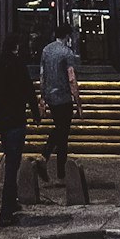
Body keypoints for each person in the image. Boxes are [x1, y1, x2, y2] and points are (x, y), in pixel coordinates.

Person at [0, 33, 42, 227]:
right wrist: (36, 114)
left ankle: (12, 202)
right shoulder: (18, 65)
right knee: (12, 165)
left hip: (2, 121)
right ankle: (6, 211)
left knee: (10, 159)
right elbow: (29, 91)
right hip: (17, 120)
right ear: (16, 47)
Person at [38, 23, 82, 181]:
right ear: (67, 36)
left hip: (51, 97)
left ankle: (60, 172)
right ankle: (45, 157)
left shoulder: (46, 50)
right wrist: (78, 102)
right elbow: (71, 79)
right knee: (63, 130)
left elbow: (42, 76)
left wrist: (42, 98)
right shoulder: (67, 53)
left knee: (61, 132)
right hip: (64, 97)